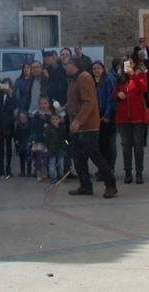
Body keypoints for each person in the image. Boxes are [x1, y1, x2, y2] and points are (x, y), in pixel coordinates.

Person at [63, 59, 118, 198]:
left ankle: (111, 185)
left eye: (66, 64)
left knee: (96, 156)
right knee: (78, 158)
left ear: (73, 65)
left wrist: (78, 121)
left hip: (88, 127)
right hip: (78, 126)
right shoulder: (74, 79)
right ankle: (85, 185)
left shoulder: (84, 77)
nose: (65, 67)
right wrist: (65, 109)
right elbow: (75, 101)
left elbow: (89, 102)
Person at [115, 59, 149, 185]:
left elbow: (144, 89)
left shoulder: (140, 74)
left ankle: (139, 173)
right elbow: (113, 92)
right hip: (124, 116)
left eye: (130, 63)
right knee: (125, 145)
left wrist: (133, 75)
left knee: (138, 145)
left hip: (138, 117)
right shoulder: (119, 77)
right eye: (125, 63)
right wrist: (117, 94)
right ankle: (128, 173)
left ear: (134, 64)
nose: (128, 65)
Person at [91, 61, 118, 175]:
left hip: (108, 116)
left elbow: (110, 99)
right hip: (98, 116)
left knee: (109, 145)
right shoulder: (92, 82)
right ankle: (102, 168)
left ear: (103, 69)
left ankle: (109, 168)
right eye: (94, 69)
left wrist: (107, 115)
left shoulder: (108, 80)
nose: (96, 70)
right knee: (100, 144)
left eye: (98, 68)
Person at [0, 79, 17, 178]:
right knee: (1, 147)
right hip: (0, 124)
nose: (5, 87)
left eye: (7, 85)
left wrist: (10, 93)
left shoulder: (12, 95)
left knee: (8, 147)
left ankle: (8, 168)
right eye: (4, 85)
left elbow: (14, 105)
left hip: (9, 124)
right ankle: (1, 167)